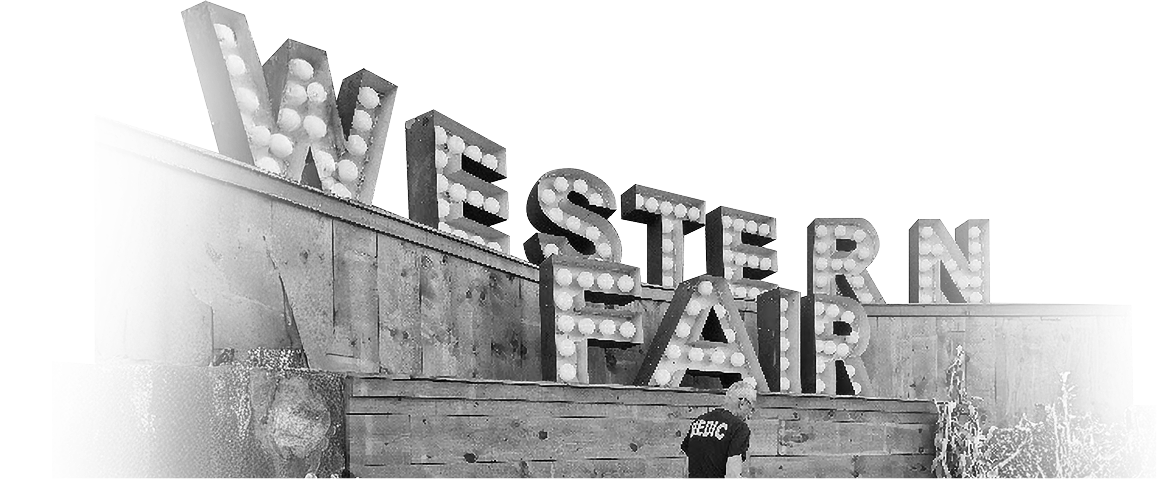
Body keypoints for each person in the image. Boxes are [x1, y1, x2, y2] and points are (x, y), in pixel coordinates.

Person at [681, 380, 756, 479]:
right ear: (742, 403)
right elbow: (732, 476)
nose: (750, 414)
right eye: (751, 408)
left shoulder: (698, 422)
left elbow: (686, 472)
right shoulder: (739, 428)